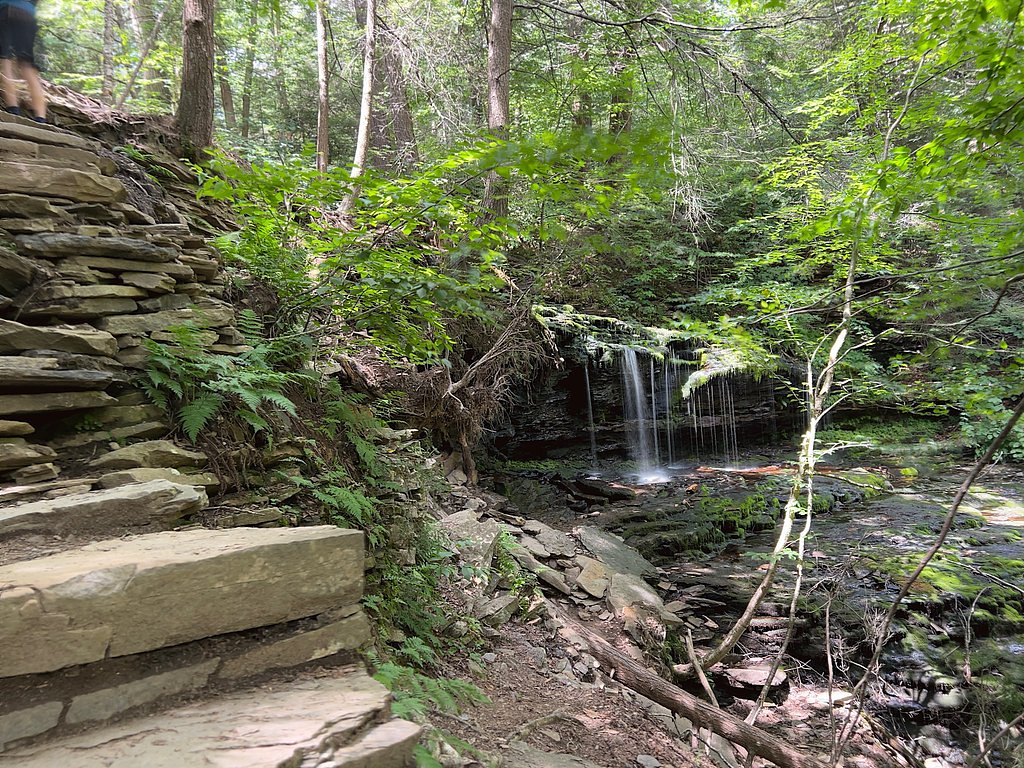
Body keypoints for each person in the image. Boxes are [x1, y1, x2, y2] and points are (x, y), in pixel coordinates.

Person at [0, 0, 46, 123]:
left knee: (6, 61)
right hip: (28, 14)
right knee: (27, 66)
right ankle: (41, 117)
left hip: (6, 11)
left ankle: (13, 109)